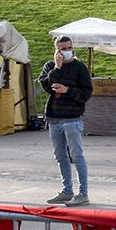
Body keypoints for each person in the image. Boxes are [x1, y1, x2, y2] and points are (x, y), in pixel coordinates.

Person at [39, 35, 93, 204]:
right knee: (60, 156)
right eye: (63, 48)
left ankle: (83, 193)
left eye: (69, 48)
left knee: (76, 155)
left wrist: (67, 89)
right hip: (54, 118)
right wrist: (57, 67)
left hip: (72, 118)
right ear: (57, 50)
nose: (67, 51)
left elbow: (86, 94)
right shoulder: (50, 66)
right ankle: (66, 190)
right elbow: (48, 86)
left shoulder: (80, 68)